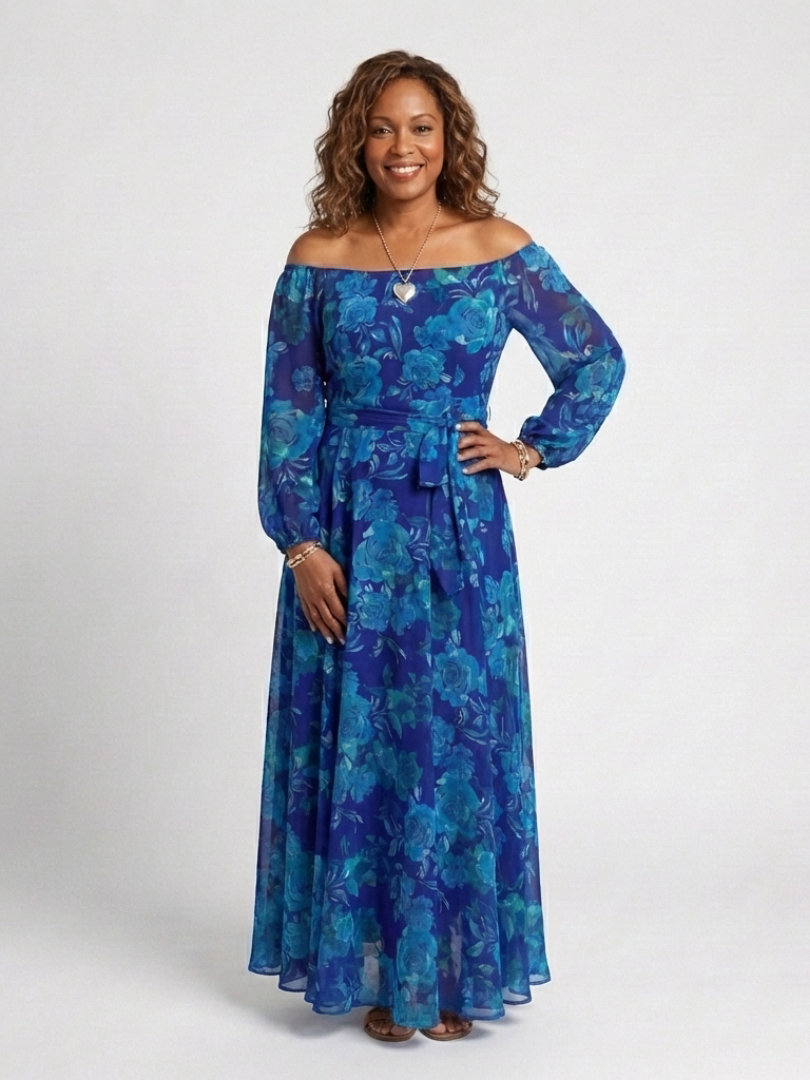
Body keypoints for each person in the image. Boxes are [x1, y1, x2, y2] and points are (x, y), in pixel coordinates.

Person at [248, 50, 626, 1043]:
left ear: (450, 138)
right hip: (345, 533)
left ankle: (448, 973)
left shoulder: (498, 249)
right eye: (381, 128)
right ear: (355, 142)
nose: (401, 146)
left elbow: (596, 358)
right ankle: (374, 971)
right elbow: (288, 413)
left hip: (458, 531)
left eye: (420, 127)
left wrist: (529, 449)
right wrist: (301, 545)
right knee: (361, 738)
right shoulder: (318, 257)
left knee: (453, 741)